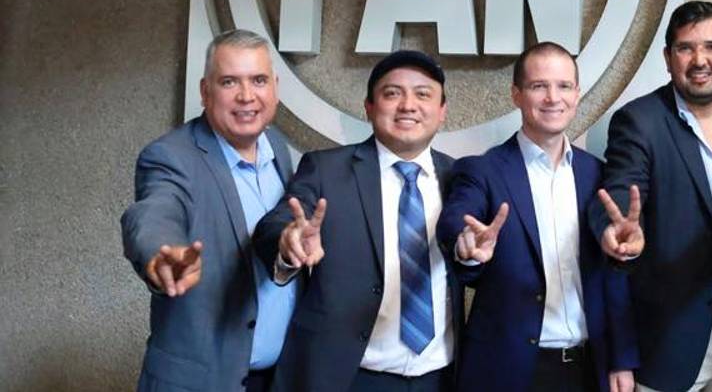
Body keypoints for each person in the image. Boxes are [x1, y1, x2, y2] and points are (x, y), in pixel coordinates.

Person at [587, 0, 712, 392]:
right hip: (670, 338)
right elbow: (621, 195)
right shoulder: (640, 121)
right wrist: (618, 232)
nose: (699, 60)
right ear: (668, 58)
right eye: (686, 48)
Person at [253, 50, 462, 392]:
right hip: (350, 377)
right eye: (392, 93)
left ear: (442, 112)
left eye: (423, 94)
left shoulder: (459, 177)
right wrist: (289, 241)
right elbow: (276, 224)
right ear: (369, 107)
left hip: (438, 378)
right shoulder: (326, 169)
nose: (408, 105)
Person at [436, 42, 638, 392]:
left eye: (564, 86)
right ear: (516, 94)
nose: (552, 97)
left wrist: (621, 359)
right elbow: (457, 218)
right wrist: (465, 244)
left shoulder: (599, 175)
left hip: (589, 367)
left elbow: (612, 280)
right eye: (538, 86)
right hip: (508, 370)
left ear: (577, 94)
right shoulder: (483, 170)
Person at [121, 29, 296, 392]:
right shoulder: (170, 156)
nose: (246, 96)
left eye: (258, 80)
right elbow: (154, 211)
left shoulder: (276, 147)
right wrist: (162, 253)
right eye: (229, 81)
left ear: (275, 88)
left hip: (274, 379)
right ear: (205, 91)